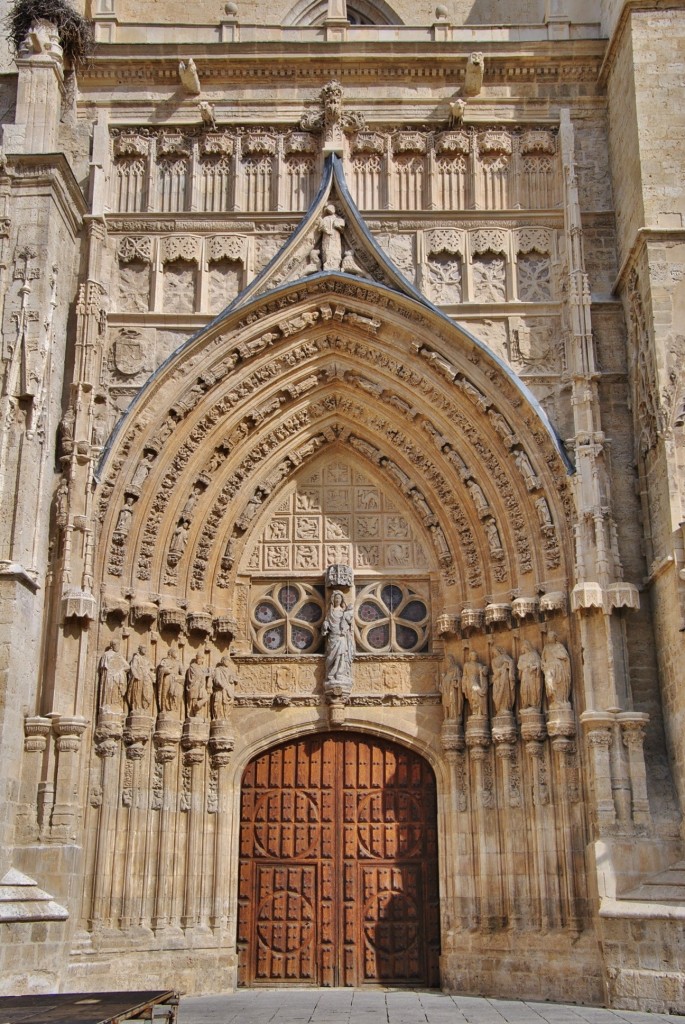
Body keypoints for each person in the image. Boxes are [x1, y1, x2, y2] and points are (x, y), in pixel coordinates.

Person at [322, 590, 354, 690]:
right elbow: (327, 621)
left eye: (339, 598)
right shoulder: (330, 612)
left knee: (341, 655)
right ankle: (331, 673)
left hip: (341, 636)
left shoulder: (344, 612)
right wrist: (325, 625)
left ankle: (340, 673)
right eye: (336, 598)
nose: (337, 600)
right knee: (332, 655)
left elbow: (349, 623)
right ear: (333, 600)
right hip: (333, 636)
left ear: (342, 600)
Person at [97, 639, 129, 713]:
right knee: (109, 689)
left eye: (119, 645)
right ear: (112, 646)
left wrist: (120, 670)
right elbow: (104, 668)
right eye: (116, 645)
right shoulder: (106, 654)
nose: (118, 647)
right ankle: (107, 704)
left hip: (117, 677)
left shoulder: (119, 655)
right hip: (109, 676)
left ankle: (115, 704)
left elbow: (127, 666)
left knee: (116, 691)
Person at [541, 630, 572, 706]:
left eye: (551, 636)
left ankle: (561, 700)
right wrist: (544, 665)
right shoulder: (546, 647)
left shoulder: (559, 646)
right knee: (550, 684)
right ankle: (554, 700)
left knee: (560, 683)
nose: (549, 638)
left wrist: (557, 655)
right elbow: (542, 659)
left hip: (559, 668)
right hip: (549, 668)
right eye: (548, 637)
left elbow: (565, 657)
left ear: (555, 637)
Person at [156, 645, 184, 714]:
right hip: (167, 678)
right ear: (170, 653)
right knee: (165, 693)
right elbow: (161, 669)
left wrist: (178, 677)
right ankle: (163, 709)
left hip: (176, 680)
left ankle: (173, 709)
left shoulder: (178, 663)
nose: (176, 653)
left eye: (177, 652)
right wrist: (167, 670)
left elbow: (183, 674)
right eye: (175, 652)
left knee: (175, 694)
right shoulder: (165, 660)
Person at [127, 644, 155, 713]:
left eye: (146, 648)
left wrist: (150, 670)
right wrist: (136, 675)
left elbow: (152, 667)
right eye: (143, 648)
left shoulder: (146, 659)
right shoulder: (136, 657)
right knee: (138, 692)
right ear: (139, 649)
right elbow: (133, 667)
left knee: (147, 692)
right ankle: (137, 707)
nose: (145, 650)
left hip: (146, 678)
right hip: (139, 677)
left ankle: (144, 707)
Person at [462, 650, 488, 717]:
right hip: (470, 682)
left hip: (478, 681)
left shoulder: (479, 665)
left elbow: (484, 674)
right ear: (470, 656)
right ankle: (474, 711)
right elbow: (464, 676)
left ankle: (479, 712)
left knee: (478, 696)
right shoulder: (466, 665)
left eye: (476, 655)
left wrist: (483, 670)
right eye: (473, 655)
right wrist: (463, 686)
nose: (475, 656)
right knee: (472, 698)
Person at [211, 655, 237, 720]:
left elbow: (235, 680)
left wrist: (233, 680)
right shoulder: (218, 670)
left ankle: (226, 717)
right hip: (220, 690)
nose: (228, 662)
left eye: (229, 661)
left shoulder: (230, 671)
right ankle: (219, 718)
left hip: (229, 691)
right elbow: (216, 680)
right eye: (226, 660)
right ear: (223, 661)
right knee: (219, 705)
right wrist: (222, 685)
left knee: (228, 706)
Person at [518, 640, 542, 710]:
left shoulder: (534, 654)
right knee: (524, 689)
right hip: (525, 675)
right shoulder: (521, 657)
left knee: (532, 689)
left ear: (526, 647)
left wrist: (534, 667)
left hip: (532, 675)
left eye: (522, 647)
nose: (521, 649)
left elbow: (539, 664)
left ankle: (534, 705)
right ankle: (526, 705)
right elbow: (519, 666)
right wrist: (526, 666)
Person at [491, 645, 516, 714]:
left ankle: (505, 707)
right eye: (493, 652)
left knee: (505, 691)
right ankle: (499, 709)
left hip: (504, 677)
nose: (494, 652)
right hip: (497, 679)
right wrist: (501, 668)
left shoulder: (504, 656)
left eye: (494, 651)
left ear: (498, 650)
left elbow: (511, 662)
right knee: (496, 693)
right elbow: (494, 670)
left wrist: (509, 670)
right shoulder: (493, 661)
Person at [185, 654, 210, 718]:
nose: (200, 660)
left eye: (201, 659)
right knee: (194, 698)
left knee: (205, 697)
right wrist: (204, 675)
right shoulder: (192, 666)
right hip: (195, 685)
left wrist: (208, 674)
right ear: (196, 659)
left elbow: (204, 674)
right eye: (199, 659)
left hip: (201, 685)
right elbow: (193, 676)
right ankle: (195, 713)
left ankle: (198, 705)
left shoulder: (203, 667)